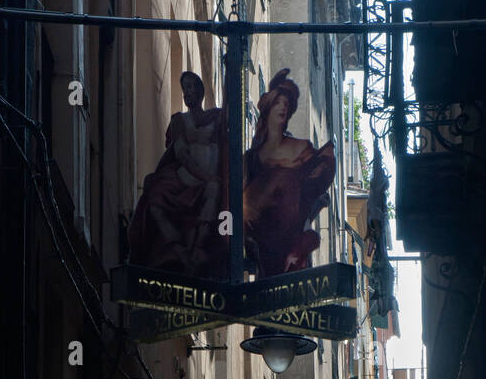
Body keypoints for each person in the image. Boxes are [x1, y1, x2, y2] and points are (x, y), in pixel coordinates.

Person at [127, 70, 227, 275]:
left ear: (200, 90)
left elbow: (230, 114)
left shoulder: (215, 117)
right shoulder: (179, 121)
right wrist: (204, 176)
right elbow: (181, 154)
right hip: (186, 176)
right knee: (155, 195)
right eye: (184, 88)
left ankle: (196, 248)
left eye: (190, 87)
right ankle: (176, 246)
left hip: (208, 180)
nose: (187, 92)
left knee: (214, 189)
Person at [242, 68, 336, 277]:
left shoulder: (301, 147)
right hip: (260, 235)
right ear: (268, 107)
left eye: (287, 103)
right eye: (278, 102)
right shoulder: (251, 158)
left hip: (287, 231)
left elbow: (320, 171)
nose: (283, 107)